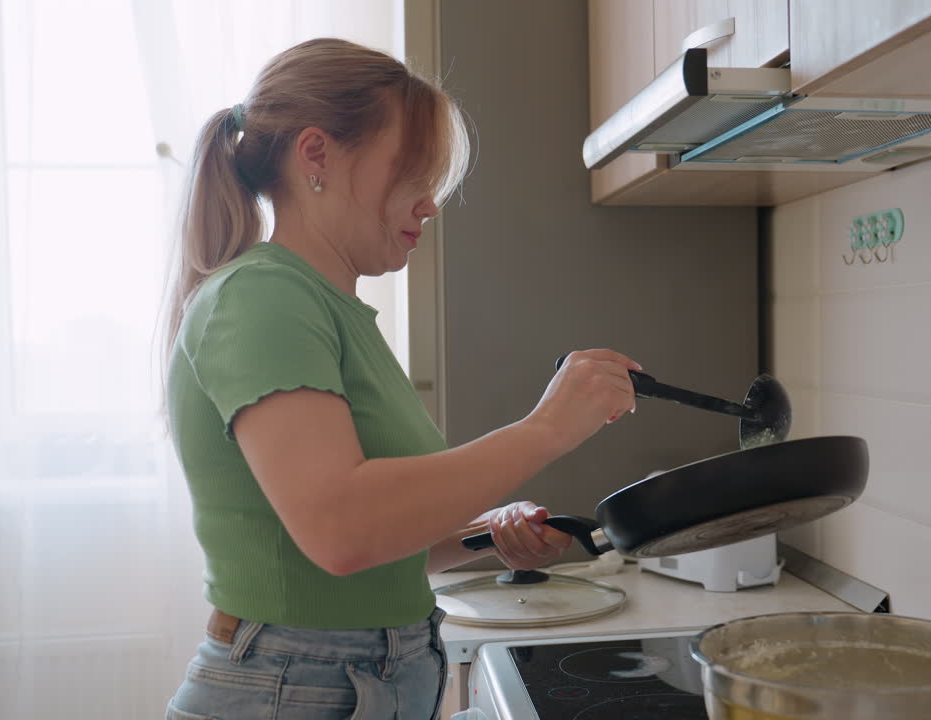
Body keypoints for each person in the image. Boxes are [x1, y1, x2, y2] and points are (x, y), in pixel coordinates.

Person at [161, 38, 639, 720]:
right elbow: (341, 529)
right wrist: (546, 430)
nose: (430, 203)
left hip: (352, 678)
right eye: (412, 170)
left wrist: (483, 532)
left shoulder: (333, 310)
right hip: (294, 686)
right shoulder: (261, 297)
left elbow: (373, 543)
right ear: (317, 154)